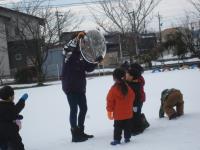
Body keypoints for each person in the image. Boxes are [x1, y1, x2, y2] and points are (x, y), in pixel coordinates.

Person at [61, 31, 103, 142]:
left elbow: (88, 68)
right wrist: (76, 39)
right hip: (70, 86)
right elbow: (67, 48)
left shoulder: (82, 55)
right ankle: (75, 134)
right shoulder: (68, 54)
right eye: (82, 41)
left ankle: (80, 131)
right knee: (74, 109)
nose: (84, 43)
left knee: (83, 108)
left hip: (80, 87)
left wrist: (96, 62)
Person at [106, 68, 135, 145]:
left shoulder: (113, 89)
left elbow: (110, 101)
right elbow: (132, 97)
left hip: (118, 115)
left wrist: (109, 111)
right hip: (128, 114)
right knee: (127, 127)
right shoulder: (128, 88)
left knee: (117, 128)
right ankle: (127, 138)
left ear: (114, 78)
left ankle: (117, 140)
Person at [0, 86, 28, 150]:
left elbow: (6, 115)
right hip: (10, 131)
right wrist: (22, 100)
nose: (14, 96)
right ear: (10, 97)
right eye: (13, 95)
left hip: (1, 133)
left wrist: (17, 116)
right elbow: (17, 108)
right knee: (18, 146)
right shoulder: (10, 107)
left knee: (3, 144)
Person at [126, 63, 149, 135]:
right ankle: (140, 124)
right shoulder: (135, 78)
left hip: (139, 99)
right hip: (137, 99)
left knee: (136, 114)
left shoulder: (139, 79)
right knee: (135, 113)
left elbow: (137, 85)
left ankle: (140, 127)